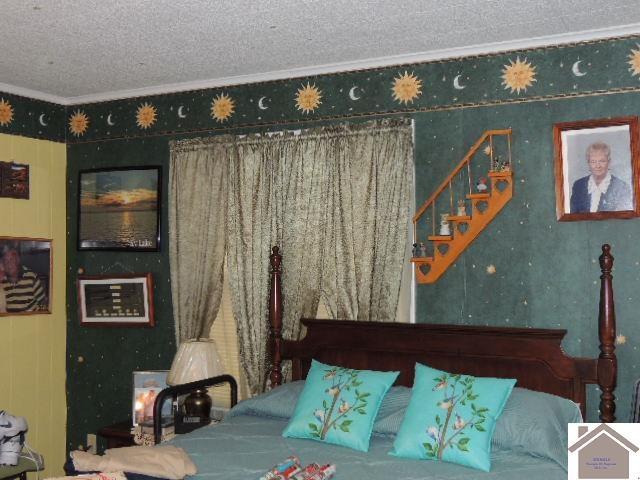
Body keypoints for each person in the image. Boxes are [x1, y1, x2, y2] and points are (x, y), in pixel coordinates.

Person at [570, 142, 633, 213]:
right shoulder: (578, 186)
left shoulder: (622, 187)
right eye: (593, 161)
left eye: (602, 161)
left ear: (609, 162)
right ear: (588, 163)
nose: (598, 166)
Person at [0, 245, 46, 313]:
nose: (9, 264)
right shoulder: (2, 281)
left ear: (18, 260)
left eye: (11, 259)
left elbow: (43, 303)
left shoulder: (31, 277)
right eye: (5, 261)